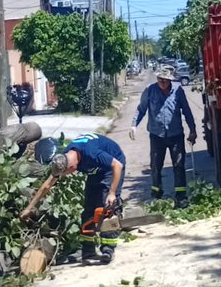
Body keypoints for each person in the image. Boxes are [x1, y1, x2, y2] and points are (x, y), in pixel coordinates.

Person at [21, 133, 126, 264]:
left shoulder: (91, 153)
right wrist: (29, 208)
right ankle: (88, 250)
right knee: (89, 209)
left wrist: (112, 193)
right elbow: (47, 185)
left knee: (106, 208)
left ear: (71, 167)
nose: (67, 175)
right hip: (95, 171)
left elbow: (118, 166)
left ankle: (108, 249)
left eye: (67, 173)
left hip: (112, 166)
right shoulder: (64, 158)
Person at [130, 66, 197, 207]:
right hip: (156, 135)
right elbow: (141, 109)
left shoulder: (178, 91)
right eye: (160, 79)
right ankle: (157, 195)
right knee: (155, 166)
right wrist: (134, 125)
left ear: (170, 80)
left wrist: (192, 129)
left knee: (178, 165)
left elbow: (186, 110)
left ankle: (181, 197)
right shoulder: (150, 90)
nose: (162, 82)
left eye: (165, 80)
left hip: (176, 135)